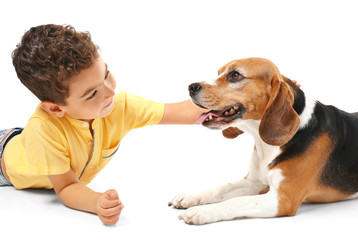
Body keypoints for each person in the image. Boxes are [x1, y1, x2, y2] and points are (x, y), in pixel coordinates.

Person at [0, 24, 205, 225]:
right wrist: (96, 201)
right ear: (55, 109)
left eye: (106, 75)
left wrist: (230, 107)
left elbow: (180, 111)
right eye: (92, 94)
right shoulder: (44, 130)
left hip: (22, 141)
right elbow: (66, 187)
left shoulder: (119, 107)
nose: (109, 93)